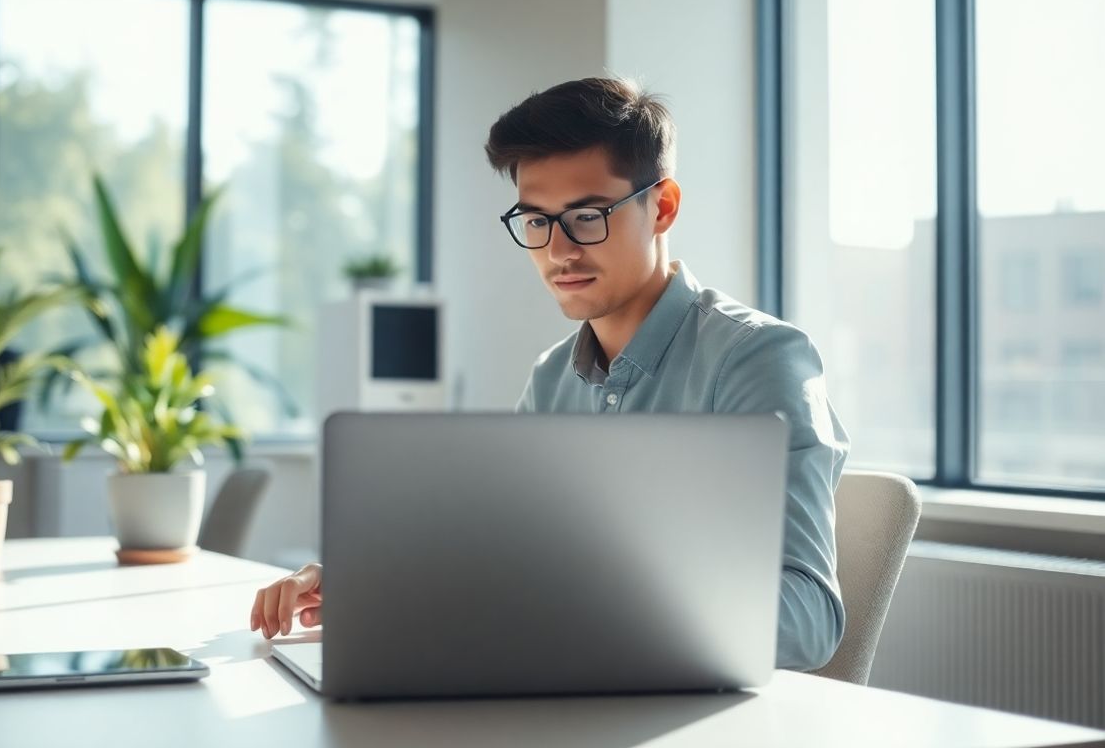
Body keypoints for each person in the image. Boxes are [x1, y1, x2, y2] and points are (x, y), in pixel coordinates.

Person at [249, 77, 850, 671]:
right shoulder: (552, 377)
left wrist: (591, 605)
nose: (559, 251)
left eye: (587, 216)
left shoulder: (758, 359)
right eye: (536, 221)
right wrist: (370, 587)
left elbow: (809, 617)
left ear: (662, 207)